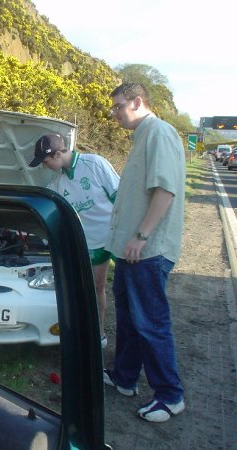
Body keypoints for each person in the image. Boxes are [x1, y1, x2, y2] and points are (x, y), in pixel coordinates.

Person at [103, 82, 185, 423]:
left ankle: (170, 396)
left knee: (151, 323)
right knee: (129, 319)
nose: (114, 113)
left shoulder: (159, 133)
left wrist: (141, 235)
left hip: (147, 251)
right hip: (130, 251)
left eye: (119, 106)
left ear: (137, 102)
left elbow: (165, 190)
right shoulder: (142, 136)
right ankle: (124, 378)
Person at [29, 133, 119, 348]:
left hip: (114, 236)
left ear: (58, 154)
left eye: (46, 161)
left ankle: (111, 335)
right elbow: (42, 205)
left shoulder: (95, 164)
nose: (45, 166)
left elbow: (119, 195)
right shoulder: (58, 184)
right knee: (88, 287)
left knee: (114, 289)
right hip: (88, 243)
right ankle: (88, 332)